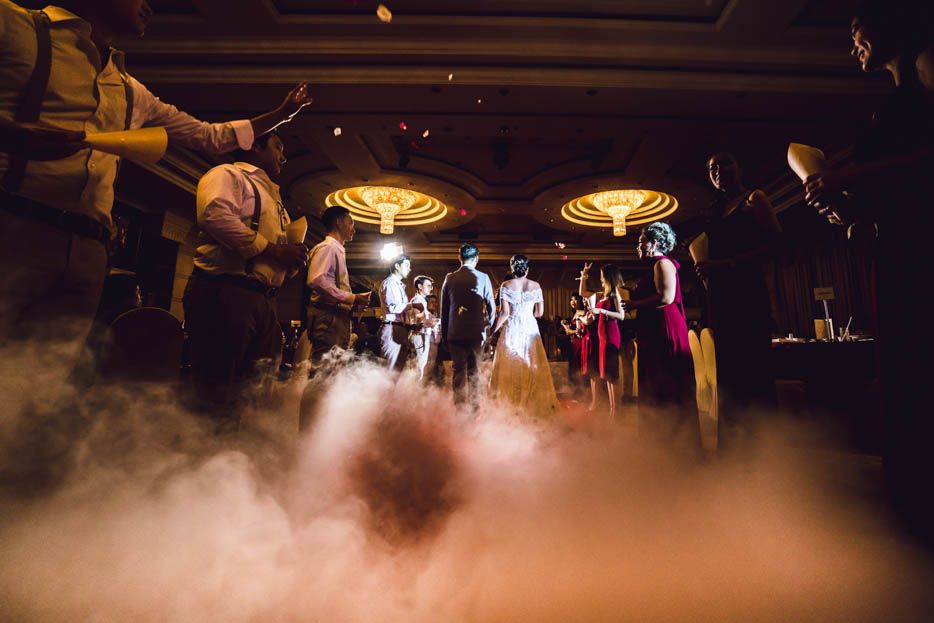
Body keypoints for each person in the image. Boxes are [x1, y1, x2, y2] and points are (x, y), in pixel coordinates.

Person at [0, 0, 312, 358]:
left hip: (90, 247)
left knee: (50, 371)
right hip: (16, 225)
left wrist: (282, 114)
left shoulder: (131, 89)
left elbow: (209, 136)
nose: (150, 6)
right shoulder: (16, 27)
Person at [802, 1, 934, 545]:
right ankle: (910, 504)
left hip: (922, 247)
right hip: (898, 245)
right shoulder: (893, 98)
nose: (852, 44)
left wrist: (849, 177)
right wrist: (845, 205)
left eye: (858, 32)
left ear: (890, 25)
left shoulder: (927, 67)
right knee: (904, 372)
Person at [182, 132, 308, 427]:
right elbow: (214, 217)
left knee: (254, 392)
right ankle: (204, 449)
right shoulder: (227, 174)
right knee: (216, 388)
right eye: (278, 147)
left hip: (265, 301)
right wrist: (275, 249)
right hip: (227, 290)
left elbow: (276, 254)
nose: (284, 157)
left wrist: (291, 262)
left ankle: (236, 449)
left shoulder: (276, 200)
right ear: (255, 146)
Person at [697, 152, 782, 451]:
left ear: (739, 167)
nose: (719, 171)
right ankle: (734, 451)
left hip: (747, 293)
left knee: (754, 370)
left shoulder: (754, 198)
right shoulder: (714, 211)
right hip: (721, 297)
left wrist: (724, 264)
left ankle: (764, 449)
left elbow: (776, 244)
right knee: (729, 374)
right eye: (712, 168)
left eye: (725, 164)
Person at [598, 224, 699, 449]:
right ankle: (660, 442)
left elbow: (667, 298)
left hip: (665, 328)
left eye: (641, 242)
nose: (637, 246)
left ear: (653, 243)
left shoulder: (663, 263)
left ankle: (675, 443)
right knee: (656, 381)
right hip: (655, 329)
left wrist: (635, 303)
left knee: (667, 381)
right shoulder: (655, 265)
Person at [489, 255, 561, 419]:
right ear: (527, 269)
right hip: (529, 328)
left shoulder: (506, 285)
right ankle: (532, 406)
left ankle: (509, 408)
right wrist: (527, 316)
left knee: (509, 365)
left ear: (512, 268)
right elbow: (539, 313)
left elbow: (504, 313)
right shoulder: (536, 286)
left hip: (513, 328)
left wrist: (492, 331)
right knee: (531, 363)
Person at [306, 206, 371, 363]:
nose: (354, 229)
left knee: (333, 368)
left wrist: (353, 302)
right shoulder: (328, 247)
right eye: (351, 223)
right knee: (325, 368)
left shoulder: (336, 249)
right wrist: (351, 298)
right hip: (328, 316)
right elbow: (316, 280)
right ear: (339, 222)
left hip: (335, 316)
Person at [439, 243, 495, 410]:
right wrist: (491, 332)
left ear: (459, 258)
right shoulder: (483, 277)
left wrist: (444, 335)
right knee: (474, 372)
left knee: (458, 372)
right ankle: (475, 410)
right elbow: (491, 308)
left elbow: (444, 311)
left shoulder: (450, 278)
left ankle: (460, 410)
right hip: (476, 333)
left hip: (455, 332)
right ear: (476, 258)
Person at [579, 263, 623, 419]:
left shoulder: (615, 294)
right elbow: (583, 292)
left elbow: (621, 316)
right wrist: (584, 275)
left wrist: (601, 311)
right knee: (607, 375)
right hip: (602, 337)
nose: (600, 278)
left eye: (602, 276)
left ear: (608, 277)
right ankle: (612, 411)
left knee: (612, 375)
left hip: (611, 335)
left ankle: (615, 412)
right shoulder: (602, 294)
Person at [377, 255, 422, 371]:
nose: (409, 268)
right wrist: (413, 305)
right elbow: (393, 308)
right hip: (392, 328)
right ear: (397, 266)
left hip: (399, 329)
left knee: (397, 369)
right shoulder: (390, 283)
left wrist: (411, 325)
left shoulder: (399, 285)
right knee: (391, 369)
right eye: (406, 265)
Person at [409, 275, 439, 380]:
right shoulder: (417, 300)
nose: (431, 288)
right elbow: (420, 321)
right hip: (419, 336)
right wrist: (437, 322)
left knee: (421, 366)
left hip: (422, 336)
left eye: (431, 286)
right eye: (428, 285)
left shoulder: (422, 301)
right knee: (418, 367)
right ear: (420, 286)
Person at [560, 294, 588, 397]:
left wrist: (566, 327)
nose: (573, 302)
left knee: (578, 367)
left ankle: (582, 393)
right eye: (571, 300)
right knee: (574, 367)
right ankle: (578, 392)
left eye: (575, 300)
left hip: (579, 344)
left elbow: (578, 332)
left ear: (581, 301)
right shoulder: (576, 313)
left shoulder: (582, 312)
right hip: (573, 344)